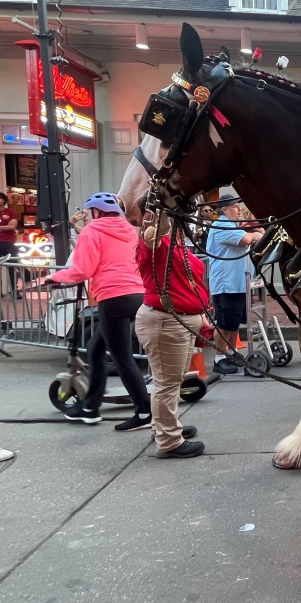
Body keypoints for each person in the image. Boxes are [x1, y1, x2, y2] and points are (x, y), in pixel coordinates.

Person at [46, 192, 152, 430]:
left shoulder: (92, 231)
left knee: (122, 358)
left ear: (95, 212)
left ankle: (145, 412)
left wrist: (53, 277)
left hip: (113, 297)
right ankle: (90, 407)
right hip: (137, 294)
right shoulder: (129, 231)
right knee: (95, 348)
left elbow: (81, 270)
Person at [134, 196, 207, 458]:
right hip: (166, 320)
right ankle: (168, 441)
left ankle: (165, 427)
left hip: (178, 320)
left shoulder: (174, 243)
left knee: (170, 380)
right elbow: (154, 232)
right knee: (167, 382)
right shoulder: (153, 240)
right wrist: (161, 209)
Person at [205, 193, 262, 374]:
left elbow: (252, 237)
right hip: (226, 284)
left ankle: (231, 352)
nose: (239, 209)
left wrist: (254, 234)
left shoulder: (232, 225)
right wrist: (255, 233)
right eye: (235, 207)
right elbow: (246, 239)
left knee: (234, 322)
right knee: (224, 322)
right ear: (225, 209)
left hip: (236, 283)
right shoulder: (222, 224)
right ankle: (219, 357)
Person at [0, 192, 21, 298]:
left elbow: (12, 226)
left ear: (4, 200)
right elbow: (7, 226)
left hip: (8, 243)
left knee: (12, 266)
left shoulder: (10, 212)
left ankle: (14, 291)